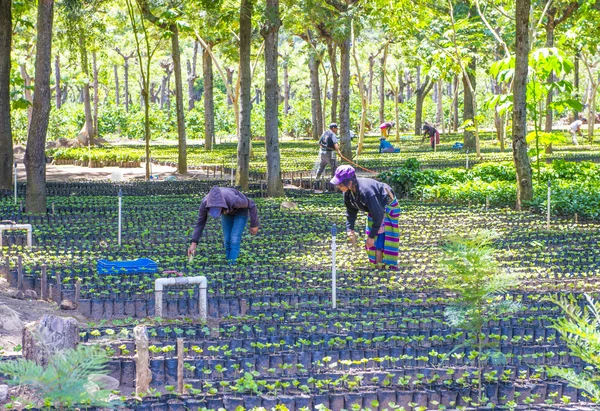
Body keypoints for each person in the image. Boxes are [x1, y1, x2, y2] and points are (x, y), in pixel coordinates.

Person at [331, 165, 401, 268]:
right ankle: (378, 266)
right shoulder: (347, 193)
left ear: (349, 183)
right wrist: (350, 229)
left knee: (380, 238)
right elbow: (351, 211)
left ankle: (384, 267)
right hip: (375, 210)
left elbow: (378, 215)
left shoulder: (367, 192)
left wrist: (371, 237)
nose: (338, 186)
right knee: (373, 239)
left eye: (340, 184)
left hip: (385, 205)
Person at [188, 186, 259, 264]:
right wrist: (194, 243)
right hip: (227, 212)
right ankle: (229, 262)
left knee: (234, 239)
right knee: (227, 240)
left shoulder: (234, 200)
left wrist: (254, 224)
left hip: (240, 211)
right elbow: (200, 222)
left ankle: (232, 265)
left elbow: (251, 204)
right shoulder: (205, 202)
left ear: (222, 207)